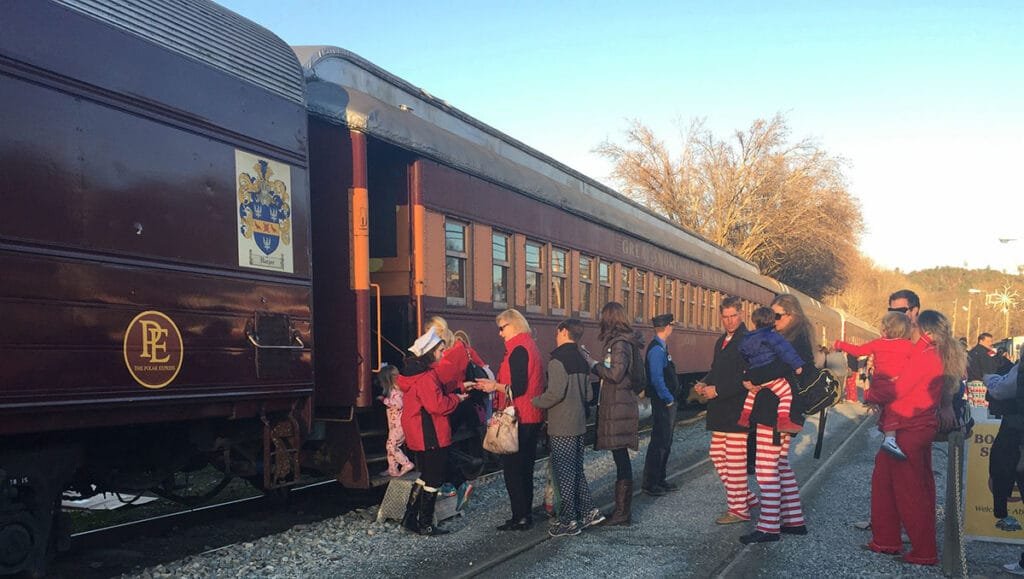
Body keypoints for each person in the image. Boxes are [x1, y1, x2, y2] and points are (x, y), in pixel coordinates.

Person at [866, 310, 966, 565]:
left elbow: (900, 387)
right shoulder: (934, 354)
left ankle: (923, 551)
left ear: (926, 331)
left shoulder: (925, 356)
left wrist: (870, 396)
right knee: (886, 482)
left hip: (910, 427)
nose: (909, 327)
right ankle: (886, 539)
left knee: (910, 491)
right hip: (913, 426)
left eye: (913, 325)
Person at [739, 294, 811, 544]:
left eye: (777, 316)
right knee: (780, 466)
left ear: (792, 316)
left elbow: (778, 369)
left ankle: (768, 527)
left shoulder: (792, 342)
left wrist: (751, 377)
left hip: (775, 414)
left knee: (766, 469)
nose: (772, 320)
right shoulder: (793, 338)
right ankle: (794, 520)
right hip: (781, 412)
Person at [532, 319, 605, 537]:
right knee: (576, 470)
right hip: (580, 424)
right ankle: (590, 512)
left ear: (564, 332)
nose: (556, 334)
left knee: (563, 473)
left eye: (558, 331)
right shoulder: (582, 362)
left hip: (562, 425)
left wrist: (534, 401)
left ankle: (569, 521)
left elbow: (554, 394)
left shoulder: (557, 361)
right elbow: (590, 395)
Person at [474, 309, 545, 531]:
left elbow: (519, 388)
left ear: (513, 326)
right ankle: (524, 514)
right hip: (531, 415)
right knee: (525, 467)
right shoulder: (529, 346)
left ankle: (520, 517)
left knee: (514, 469)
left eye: (502, 328)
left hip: (519, 417)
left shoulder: (518, 350)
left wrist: (492, 386)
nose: (500, 333)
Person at [693, 296, 760, 525]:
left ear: (741, 314)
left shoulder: (747, 340)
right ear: (720, 317)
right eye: (725, 317)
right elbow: (716, 370)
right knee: (717, 454)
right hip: (721, 409)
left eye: (733, 316)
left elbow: (746, 378)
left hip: (737, 409)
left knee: (734, 460)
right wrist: (704, 382)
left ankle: (738, 509)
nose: (730, 321)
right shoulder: (722, 340)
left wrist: (718, 390)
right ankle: (746, 498)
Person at [397, 328, 469, 536]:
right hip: (431, 433)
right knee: (434, 478)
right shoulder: (426, 378)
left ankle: (410, 518)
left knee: (425, 475)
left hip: (419, 433)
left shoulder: (412, 376)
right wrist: (458, 399)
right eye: (439, 351)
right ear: (429, 353)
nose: (442, 354)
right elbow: (438, 406)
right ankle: (425, 523)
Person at [834, 312, 914, 460]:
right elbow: (917, 364)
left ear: (886, 329)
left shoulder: (878, 343)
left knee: (887, 408)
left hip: (877, 388)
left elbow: (858, 351)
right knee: (896, 407)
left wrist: (840, 344)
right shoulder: (909, 346)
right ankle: (890, 439)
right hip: (894, 387)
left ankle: (883, 429)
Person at [590, 302, 643, 526]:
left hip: (619, 406)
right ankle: (621, 510)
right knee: (620, 458)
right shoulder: (622, 342)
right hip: (620, 405)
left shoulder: (619, 343)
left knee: (621, 459)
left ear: (609, 318)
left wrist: (593, 365)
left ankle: (622, 513)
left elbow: (615, 373)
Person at [737, 307, 805, 434]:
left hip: (756, 375)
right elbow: (786, 352)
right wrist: (797, 365)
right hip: (772, 377)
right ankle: (783, 420)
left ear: (754, 321)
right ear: (772, 321)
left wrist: (748, 372)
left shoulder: (747, 338)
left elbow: (744, 356)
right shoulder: (773, 336)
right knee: (785, 393)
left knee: (752, 393)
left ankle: (744, 417)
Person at [641, 313, 681, 496]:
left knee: (666, 441)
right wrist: (668, 398)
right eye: (671, 325)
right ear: (667, 327)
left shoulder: (661, 347)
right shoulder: (657, 350)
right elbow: (657, 379)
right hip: (663, 402)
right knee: (660, 441)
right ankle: (651, 482)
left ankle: (660, 479)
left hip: (664, 400)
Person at [379, 364, 415, 477]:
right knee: (390, 446)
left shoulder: (395, 392)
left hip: (399, 425)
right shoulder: (394, 390)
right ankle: (392, 469)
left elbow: (399, 405)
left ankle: (406, 463)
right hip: (394, 425)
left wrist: (385, 401)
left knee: (392, 446)